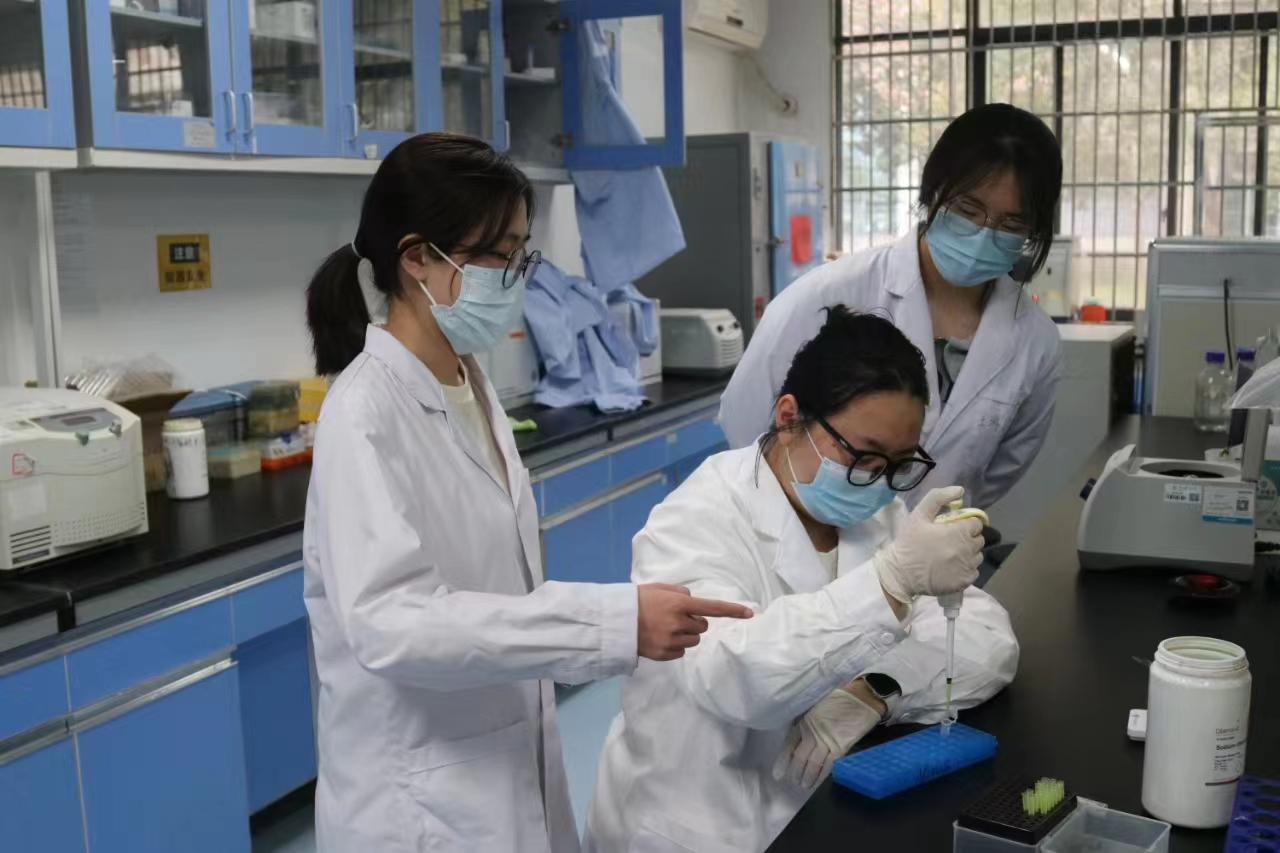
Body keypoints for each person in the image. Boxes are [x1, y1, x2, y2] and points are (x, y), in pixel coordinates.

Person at [301, 133, 752, 853]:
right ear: (417, 258)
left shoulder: (467, 383)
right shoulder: (364, 414)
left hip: (501, 760)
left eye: (521, 253)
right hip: (418, 802)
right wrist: (612, 624)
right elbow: (393, 624)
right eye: (498, 255)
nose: (515, 276)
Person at [584, 308, 1019, 853]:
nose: (881, 482)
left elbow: (986, 638)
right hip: (702, 826)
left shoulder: (875, 507)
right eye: (863, 456)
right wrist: (889, 583)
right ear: (790, 419)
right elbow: (734, 677)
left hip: (819, 807)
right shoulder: (696, 519)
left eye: (901, 464)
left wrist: (878, 690)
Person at [720, 104, 1064, 510]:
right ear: (934, 190)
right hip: (809, 535)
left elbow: (1004, 468)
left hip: (934, 540)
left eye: (1010, 225)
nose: (983, 235)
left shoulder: (1035, 340)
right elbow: (744, 420)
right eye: (968, 210)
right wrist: (805, 523)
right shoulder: (827, 294)